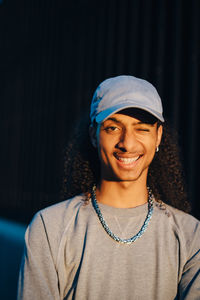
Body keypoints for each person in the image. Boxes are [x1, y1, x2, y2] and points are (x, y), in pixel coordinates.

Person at [17, 75, 200, 300]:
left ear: (158, 136)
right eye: (113, 128)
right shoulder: (50, 227)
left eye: (142, 128)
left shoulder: (191, 235)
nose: (127, 143)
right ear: (94, 135)